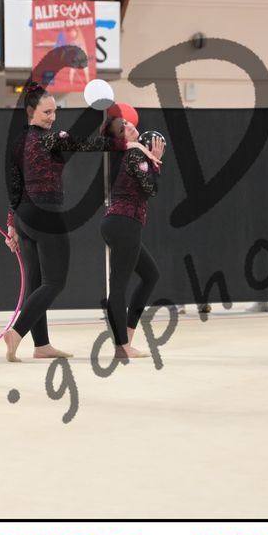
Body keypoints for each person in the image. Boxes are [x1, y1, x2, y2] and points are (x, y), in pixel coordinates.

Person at [2, 83, 124, 361]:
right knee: (54, 282)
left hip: (25, 217)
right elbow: (88, 144)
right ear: (30, 112)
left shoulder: (18, 142)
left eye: (55, 111)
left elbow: (13, 185)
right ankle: (17, 332)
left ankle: (41, 345)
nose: (53, 117)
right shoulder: (51, 138)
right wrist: (122, 142)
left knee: (36, 284)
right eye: (47, 112)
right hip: (46, 214)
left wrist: (12, 223)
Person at [100, 116, 166, 358]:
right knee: (118, 285)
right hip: (124, 223)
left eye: (127, 122)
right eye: (123, 127)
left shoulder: (128, 152)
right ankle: (122, 346)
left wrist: (150, 158)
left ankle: (126, 336)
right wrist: (155, 162)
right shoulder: (135, 154)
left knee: (150, 275)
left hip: (118, 223)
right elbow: (151, 189)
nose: (129, 125)